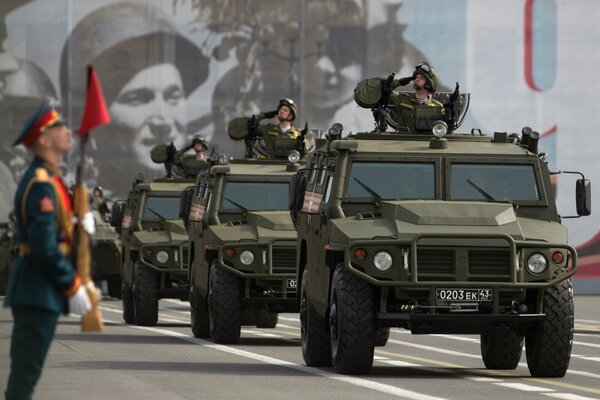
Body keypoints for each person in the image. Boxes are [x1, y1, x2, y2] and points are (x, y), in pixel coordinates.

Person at [59, 2, 209, 198]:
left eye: (173, 97)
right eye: (136, 99)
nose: (161, 120)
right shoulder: (76, 201)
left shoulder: (202, 196)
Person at [4, 99, 91, 400]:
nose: (68, 130)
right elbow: (44, 246)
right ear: (44, 138)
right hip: (37, 290)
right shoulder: (41, 184)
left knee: (27, 374)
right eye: (59, 127)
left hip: (39, 290)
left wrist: (79, 222)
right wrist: (71, 284)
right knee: (24, 378)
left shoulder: (50, 179)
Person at [355, 62, 445, 133]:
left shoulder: (438, 107)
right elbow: (374, 99)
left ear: (429, 85)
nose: (416, 79)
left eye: (421, 78)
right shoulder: (400, 99)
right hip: (404, 142)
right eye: (416, 77)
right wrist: (391, 85)